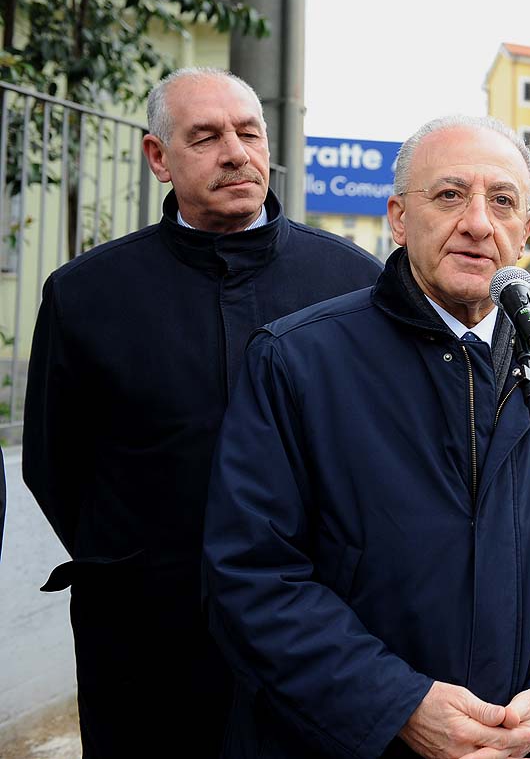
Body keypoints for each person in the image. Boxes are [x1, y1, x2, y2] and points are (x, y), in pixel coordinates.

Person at [201, 114, 530, 759]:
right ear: (397, 217)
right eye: (449, 195)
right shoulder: (297, 361)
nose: (478, 222)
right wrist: (398, 703)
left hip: (519, 739)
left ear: (526, 230)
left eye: (502, 201)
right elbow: (253, 574)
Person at [22, 67, 382, 758]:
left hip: (316, 637)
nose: (236, 152)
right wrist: (137, 562)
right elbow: (53, 463)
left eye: (249, 133)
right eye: (206, 136)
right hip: (142, 640)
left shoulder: (352, 281)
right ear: (158, 157)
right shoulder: (85, 294)